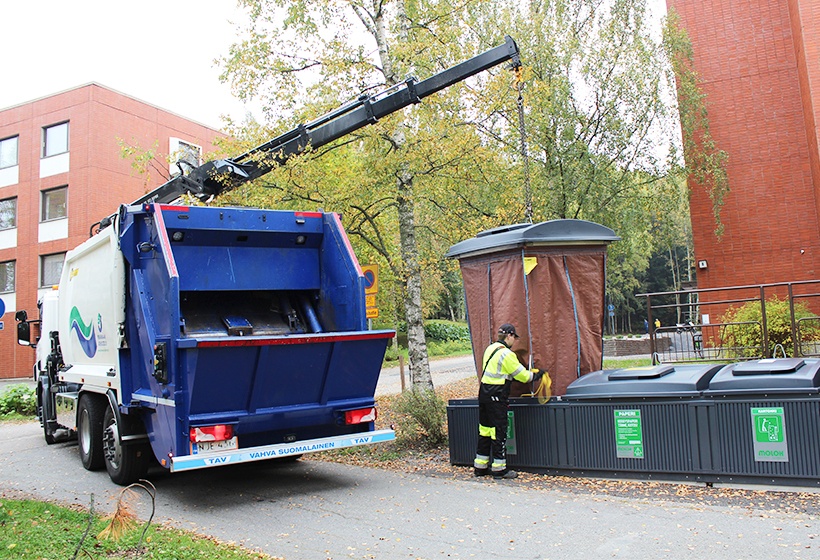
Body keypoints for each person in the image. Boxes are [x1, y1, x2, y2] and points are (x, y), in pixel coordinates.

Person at [474, 323, 542, 480]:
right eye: (514, 337)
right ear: (509, 336)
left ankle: (480, 467)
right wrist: (537, 376)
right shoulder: (506, 354)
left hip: (484, 393)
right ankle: (499, 469)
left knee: (485, 430)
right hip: (496, 396)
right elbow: (523, 376)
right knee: (499, 431)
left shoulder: (490, 349)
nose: (514, 341)